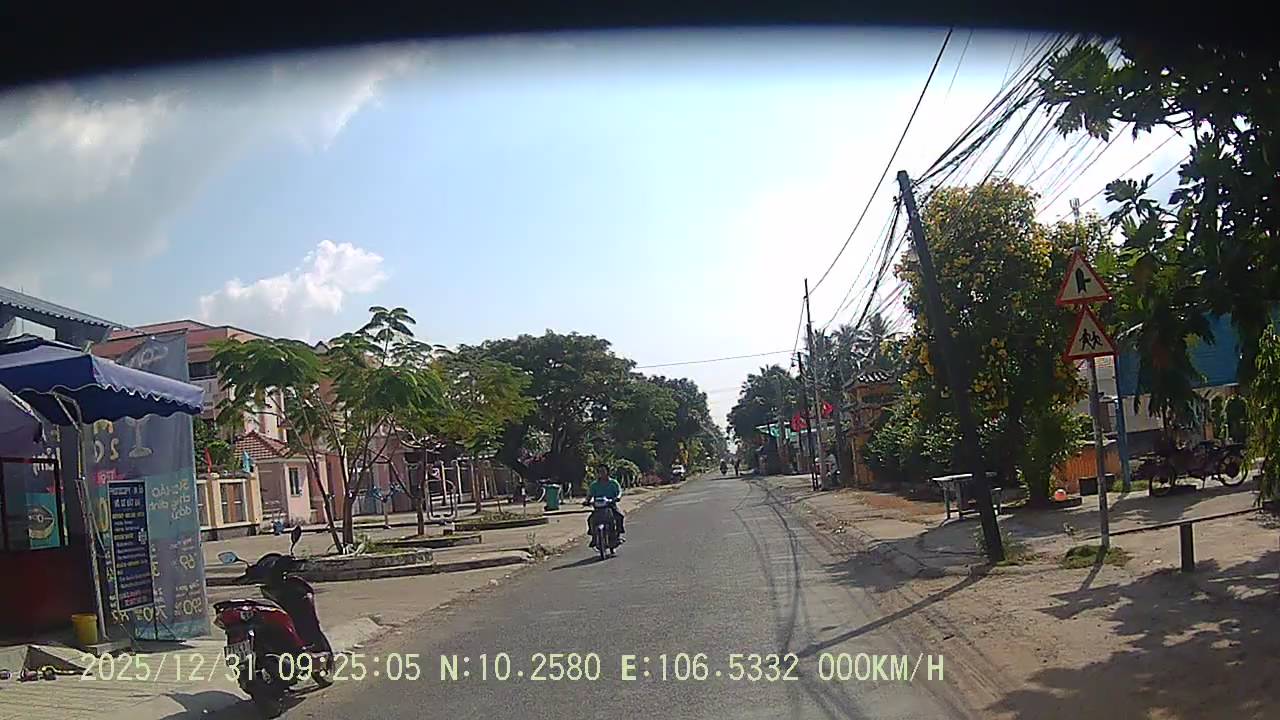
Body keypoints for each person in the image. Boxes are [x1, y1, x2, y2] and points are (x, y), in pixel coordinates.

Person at [586, 464, 624, 547]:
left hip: (610, 506)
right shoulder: (594, 485)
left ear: (607, 472)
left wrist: (617, 498)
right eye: (600, 472)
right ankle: (594, 537)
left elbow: (619, 492)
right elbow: (589, 495)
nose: (602, 473)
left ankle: (617, 536)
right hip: (598, 508)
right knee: (590, 520)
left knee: (619, 516)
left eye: (603, 471)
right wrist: (587, 501)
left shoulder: (613, 483)